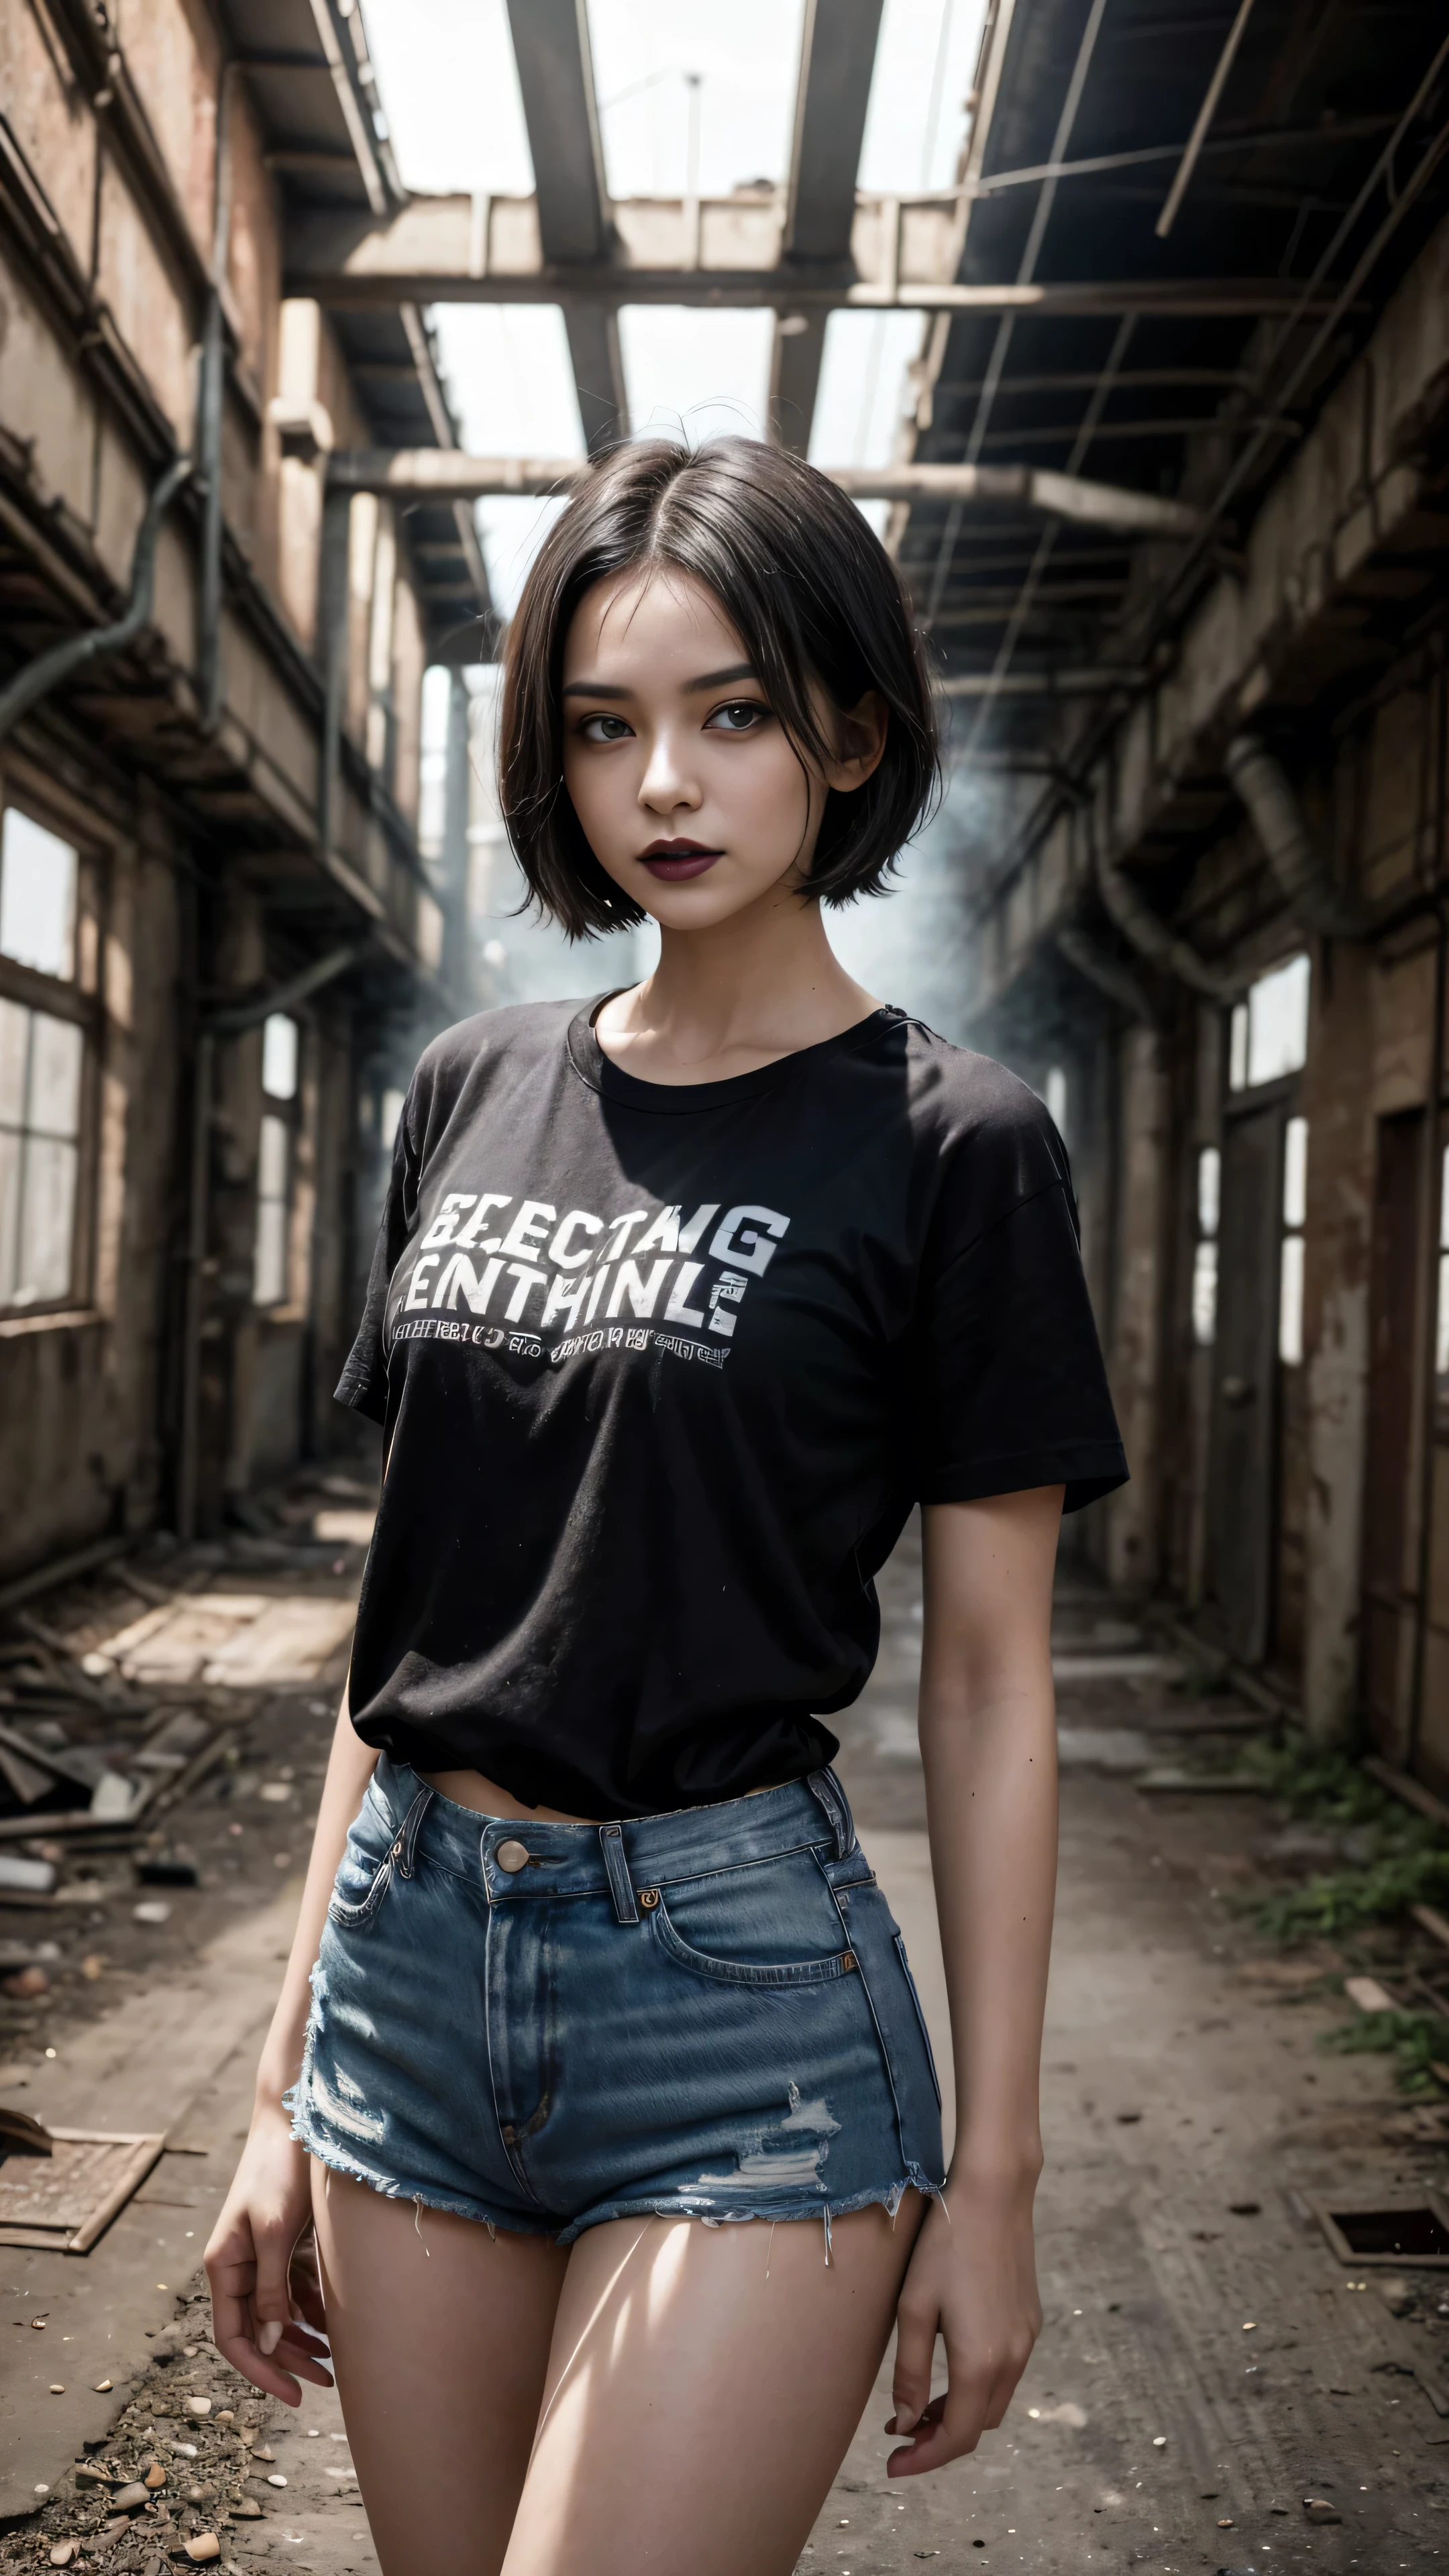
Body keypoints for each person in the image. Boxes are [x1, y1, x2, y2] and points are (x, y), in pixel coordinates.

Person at [205, 436, 1126, 2576]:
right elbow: (402, 1626)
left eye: (733, 714)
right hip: (414, 1986)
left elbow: (993, 1691)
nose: (668, 788)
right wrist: (275, 2095)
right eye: (606, 728)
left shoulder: (956, 1144)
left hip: (740, 2014)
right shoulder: (475, 1086)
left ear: (853, 730)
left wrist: (996, 2183)